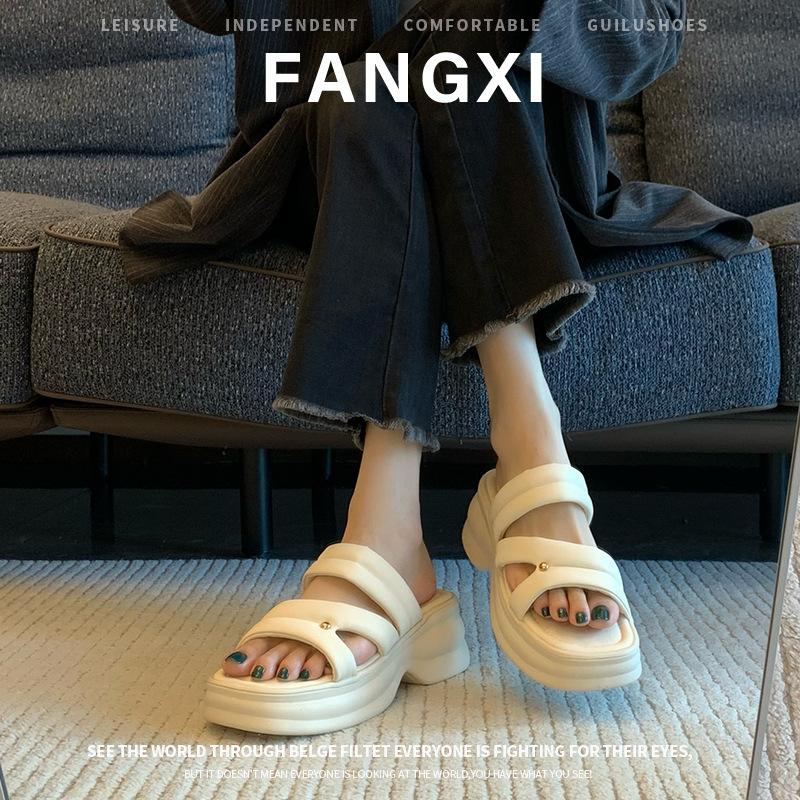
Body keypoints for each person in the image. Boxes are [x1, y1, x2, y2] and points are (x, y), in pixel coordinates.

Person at [120, 0, 754, 733]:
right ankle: (530, 453)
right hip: (323, 156)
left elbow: (645, 34)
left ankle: (386, 538)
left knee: (462, 52)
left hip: (525, 168)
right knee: (374, 94)